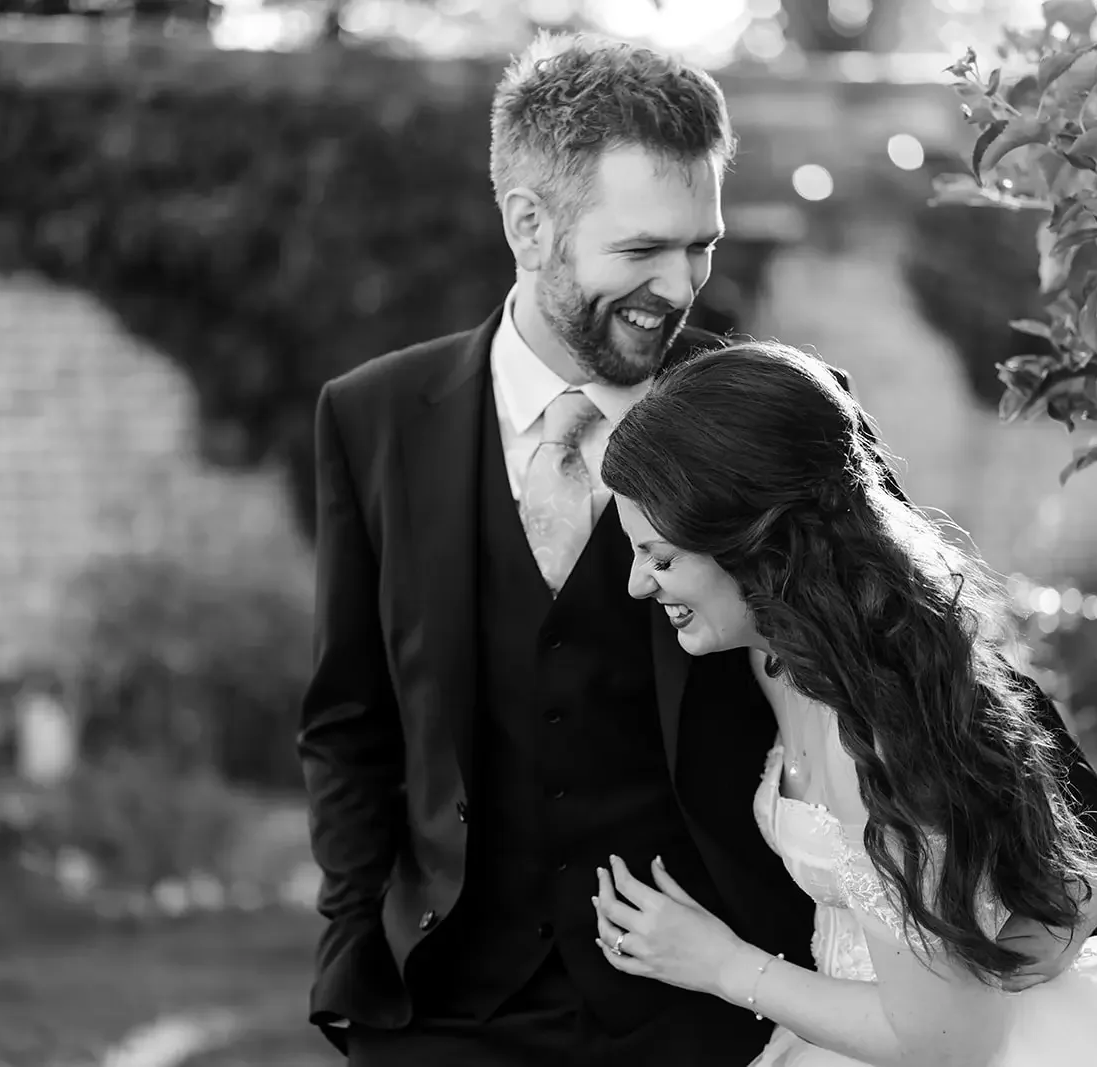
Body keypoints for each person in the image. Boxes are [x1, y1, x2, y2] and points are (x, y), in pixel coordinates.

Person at [298, 32, 812, 1067]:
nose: (680, 287)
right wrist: (352, 942)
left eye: (699, 245)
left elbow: (904, 651)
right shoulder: (372, 418)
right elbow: (352, 719)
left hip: (710, 1012)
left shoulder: (775, 415)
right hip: (445, 1010)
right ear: (528, 224)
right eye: (641, 250)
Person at [593, 340, 1097, 1067]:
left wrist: (720, 965)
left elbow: (948, 1038)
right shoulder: (793, 653)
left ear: (758, 544)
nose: (639, 586)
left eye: (662, 557)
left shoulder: (874, 732)